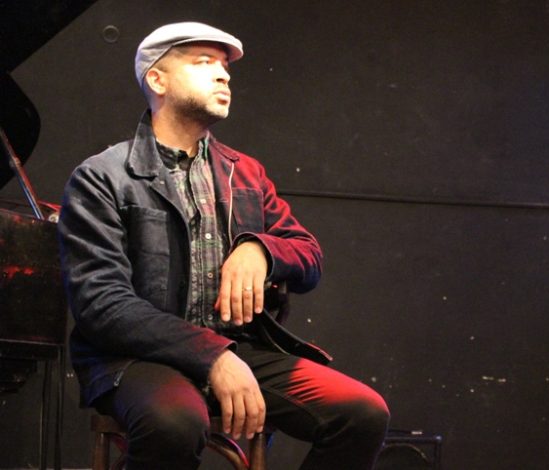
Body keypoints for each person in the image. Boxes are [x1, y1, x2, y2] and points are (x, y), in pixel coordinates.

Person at [57, 22, 389, 470]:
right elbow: (102, 305)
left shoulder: (245, 173)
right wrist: (210, 354)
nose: (223, 74)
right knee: (175, 424)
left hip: (235, 348)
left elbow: (308, 254)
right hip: (136, 357)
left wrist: (261, 250)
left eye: (225, 67)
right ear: (157, 80)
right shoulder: (103, 177)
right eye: (204, 62)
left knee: (362, 414)